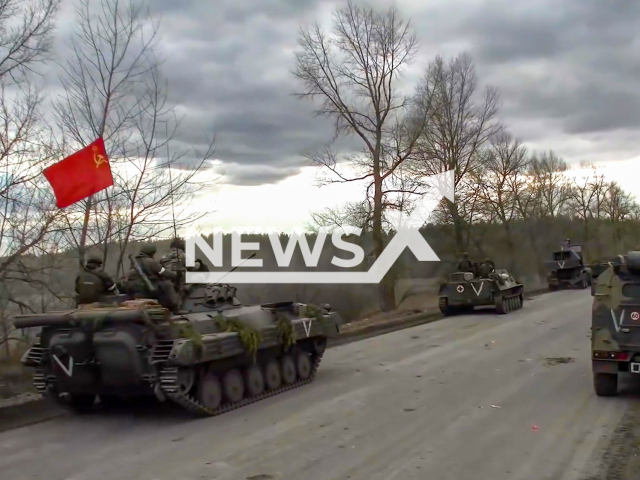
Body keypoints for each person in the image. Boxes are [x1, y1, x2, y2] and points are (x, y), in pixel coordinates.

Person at [127, 243, 181, 311]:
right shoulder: (150, 261)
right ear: (151, 253)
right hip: (148, 287)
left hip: (137, 288)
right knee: (168, 284)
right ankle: (175, 307)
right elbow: (164, 273)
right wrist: (175, 274)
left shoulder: (135, 261)